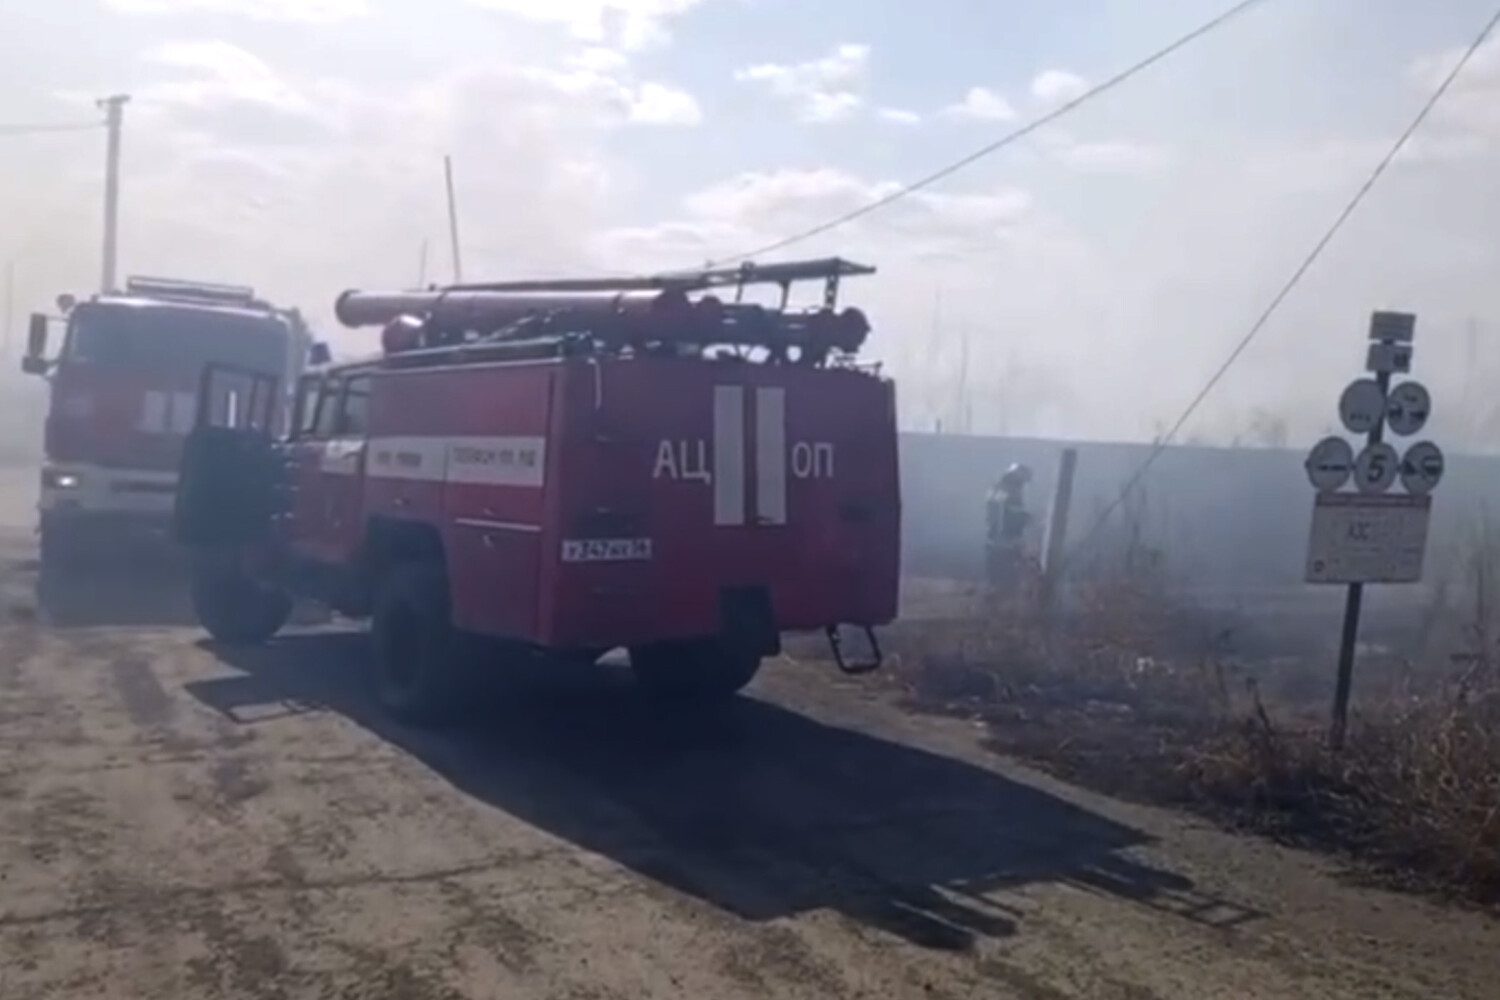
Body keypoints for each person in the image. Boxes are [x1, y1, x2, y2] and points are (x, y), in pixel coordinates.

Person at [985, 462, 1033, 591]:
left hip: (998, 537)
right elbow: (1007, 513)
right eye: (1022, 481)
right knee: (1006, 570)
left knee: (998, 571)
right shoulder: (1007, 490)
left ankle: (997, 589)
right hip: (1005, 538)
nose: (1022, 486)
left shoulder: (999, 488)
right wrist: (1027, 518)